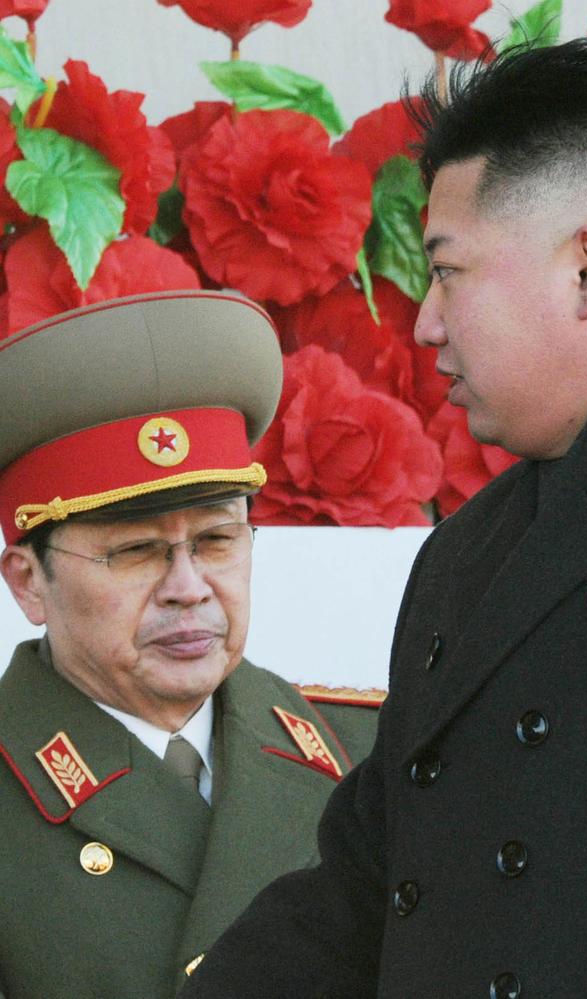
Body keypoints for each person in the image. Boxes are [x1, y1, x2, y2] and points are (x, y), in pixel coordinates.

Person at [180, 38, 587, 999]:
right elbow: (371, 875)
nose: (426, 321)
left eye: (449, 271)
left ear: (586, 274)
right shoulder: (466, 554)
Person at [0, 290, 383, 999]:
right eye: (138, 552)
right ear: (28, 581)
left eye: (215, 541)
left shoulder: (368, 753)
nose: (189, 587)